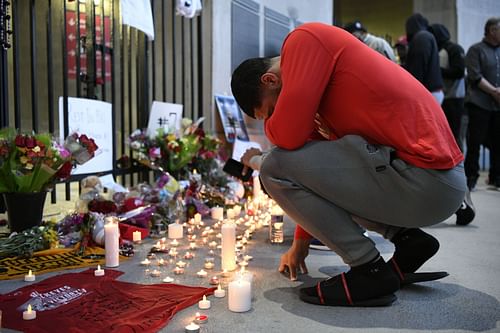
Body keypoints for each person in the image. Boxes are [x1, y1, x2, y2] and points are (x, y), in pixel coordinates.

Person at [232, 22, 466, 307]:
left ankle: (369, 269)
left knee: (272, 167)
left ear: (270, 80)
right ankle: (409, 241)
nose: (273, 121)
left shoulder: (304, 40)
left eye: (270, 111)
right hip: (422, 181)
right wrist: (300, 244)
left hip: (427, 177)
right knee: (286, 164)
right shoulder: (316, 95)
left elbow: (287, 138)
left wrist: (266, 138)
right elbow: (316, 179)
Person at [464, 17, 500, 191]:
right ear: (492, 31)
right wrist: (495, 91)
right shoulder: (475, 50)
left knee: (498, 142)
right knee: (475, 142)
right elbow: (474, 76)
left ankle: (496, 178)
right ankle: (471, 177)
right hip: (480, 104)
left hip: (498, 106)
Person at [429, 23, 466, 151]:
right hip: (445, 98)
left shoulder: (454, 49)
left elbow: (459, 71)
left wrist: (435, 70)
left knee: (454, 135)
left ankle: (458, 165)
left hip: (454, 99)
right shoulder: (439, 50)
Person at [404, 13, 444, 104]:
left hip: (427, 91)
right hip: (432, 90)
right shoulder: (426, 36)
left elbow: (418, 66)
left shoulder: (421, 38)